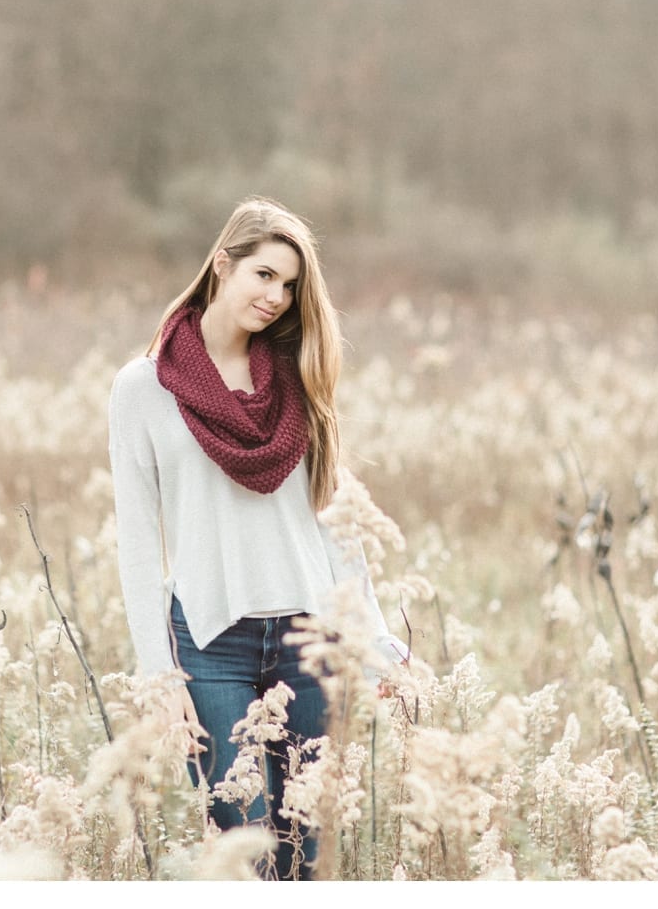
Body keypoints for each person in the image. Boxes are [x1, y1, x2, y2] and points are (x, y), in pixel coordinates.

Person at [107, 196, 407, 880]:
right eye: (264, 275)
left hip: (311, 638)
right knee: (242, 854)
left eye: (290, 285)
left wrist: (375, 639)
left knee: (306, 851)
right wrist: (160, 676)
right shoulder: (142, 388)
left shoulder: (297, 379)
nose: (277, 296)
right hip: (210, 645)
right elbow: (135, 541)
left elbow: (336, 518)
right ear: (222, 265)